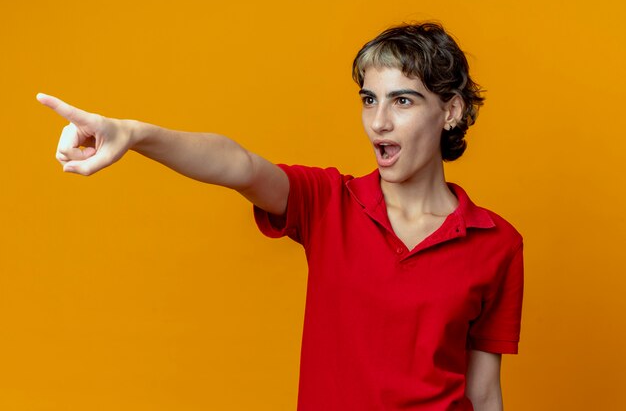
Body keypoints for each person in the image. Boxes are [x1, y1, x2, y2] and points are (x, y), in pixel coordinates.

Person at [38, 21, 524, 411]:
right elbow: (238, 164)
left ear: (452, 111)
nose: (379, 122)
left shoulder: (496, 242)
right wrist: (135, 133)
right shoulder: (330, 202)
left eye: (403, 100)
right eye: (369, 99)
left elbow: (483, 394)